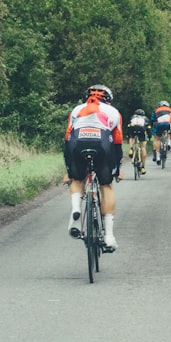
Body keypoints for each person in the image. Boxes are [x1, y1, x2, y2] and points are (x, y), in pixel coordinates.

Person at [64, 84, 123, 251]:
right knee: (106, 186)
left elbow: (67, 138)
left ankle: (76, 212)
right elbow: (117, 143)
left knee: (76, 179)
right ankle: (109, 237)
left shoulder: (76, 110)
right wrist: (116, 169)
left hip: (77, 143)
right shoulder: (114, 112)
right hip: (102, 144)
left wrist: (69, 170)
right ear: (108, 100)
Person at [127, 108, 149, 175]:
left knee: (132, 137)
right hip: (141, 129)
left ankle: (131, 149)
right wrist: (150, 135)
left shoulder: (132, 117)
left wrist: (128, 134)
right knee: (143, 147)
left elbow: (129, 126)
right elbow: (148, 128)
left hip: (133, 128)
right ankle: (143, 167)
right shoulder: (145, 118)